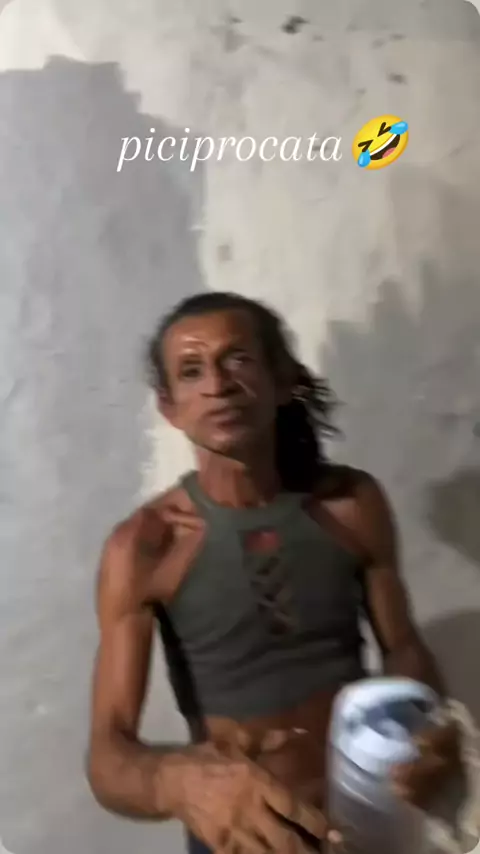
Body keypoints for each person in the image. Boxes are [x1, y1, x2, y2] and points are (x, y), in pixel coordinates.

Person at [86, 292, 461, 854]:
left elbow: (403, 646)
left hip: (371, 822)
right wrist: (177, 782)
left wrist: (428, 726)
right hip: (246, 839)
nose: (217, 385)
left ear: (282, 380)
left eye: (237, 359)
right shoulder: (144, 546)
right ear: (169, 407)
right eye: (191, 371)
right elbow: (107, 756)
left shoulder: (350, 504)